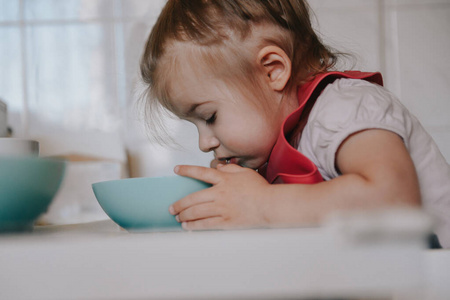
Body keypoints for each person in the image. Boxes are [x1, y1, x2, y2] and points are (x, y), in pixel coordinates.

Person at [139, 0, 450, 248]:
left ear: (273, 70)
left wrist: (261, 205)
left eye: (209, 117)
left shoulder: (345, 108)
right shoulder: (279, 147)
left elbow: (394, 199)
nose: (204, 143)